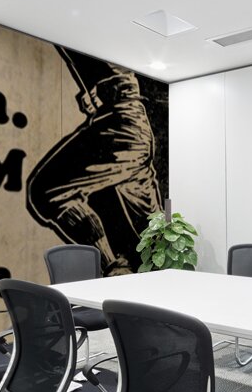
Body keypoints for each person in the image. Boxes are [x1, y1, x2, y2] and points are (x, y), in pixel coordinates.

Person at [25, 47, 162, 275]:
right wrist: (97, 94)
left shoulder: (101, 41)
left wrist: (104, 92)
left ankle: (114, 267)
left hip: (122, 123)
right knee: (151, 233)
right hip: (135, 125)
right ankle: (154, 279)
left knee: (44, 192)